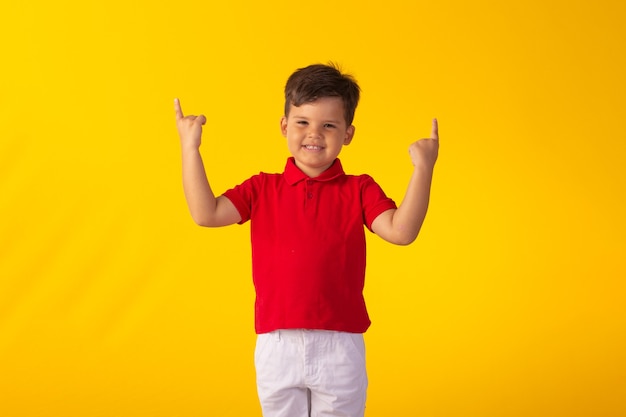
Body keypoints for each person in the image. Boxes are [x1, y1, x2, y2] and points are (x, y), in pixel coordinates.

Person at [174, 63, 439, 417]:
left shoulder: (359, 189)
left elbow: (401, 232)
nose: (314, 133)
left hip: (340, 343)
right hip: (277, 342)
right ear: (284, 125)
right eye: (302, 122)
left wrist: (423, 169)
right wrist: (190, 149)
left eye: (329, 125)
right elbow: (206, 214)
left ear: (348, 134)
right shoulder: (261, 187)